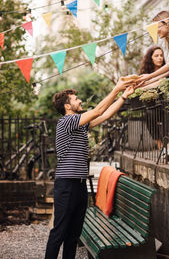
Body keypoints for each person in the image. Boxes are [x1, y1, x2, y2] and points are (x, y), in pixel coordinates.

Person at [44, 78, 135, 259]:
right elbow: (98, 110)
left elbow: (104, 115)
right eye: (76, 99)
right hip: (66, 185)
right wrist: (116, 88)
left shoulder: (79, 124)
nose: (80, 101)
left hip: (79, 185)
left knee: (73, 235)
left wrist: (123, 97)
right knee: (59, 232)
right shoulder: (66, 122)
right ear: (67, 107)